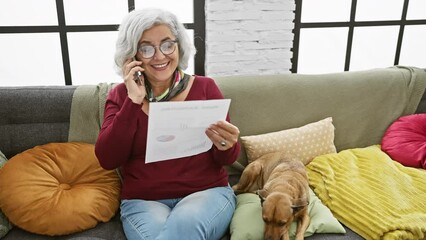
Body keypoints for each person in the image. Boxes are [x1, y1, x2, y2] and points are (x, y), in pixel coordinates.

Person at [95, 8, 241, 240]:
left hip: (206, 193)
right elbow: (108, 159)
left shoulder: (205, 88)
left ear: (178, 46)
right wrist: (133, 101)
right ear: (132, 56)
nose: (160, 56)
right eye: (146, 48)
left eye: (167, 44)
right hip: (144, 201)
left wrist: (227, 145)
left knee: (186, 223)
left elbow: (227, 158)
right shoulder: (121, 96)